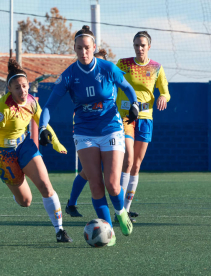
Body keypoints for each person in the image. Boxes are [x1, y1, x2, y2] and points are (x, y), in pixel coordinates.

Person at [38, 26, 139, 246]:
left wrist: (134, 105)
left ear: (94, 48)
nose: (83, 52)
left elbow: (128, 88)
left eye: (87, 47)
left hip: (111, 127)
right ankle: (108, 231)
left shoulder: (108, 68)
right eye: (79, 48)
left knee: (113, 184)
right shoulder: (69, 75)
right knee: (95, 184)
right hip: (84, 132)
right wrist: (43, 127)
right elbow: (49, 105)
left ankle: (121, 212)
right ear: (74, 49)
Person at [0, 59, 73, 243]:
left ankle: (60, 230)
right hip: (2, 155)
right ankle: (17, 191)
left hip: (24, 146)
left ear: (29, 85)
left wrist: (56, 142)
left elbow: (43, 122)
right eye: (17, 88)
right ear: (9, 89)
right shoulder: (2, 108)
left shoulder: (31, 102)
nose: (22, 91)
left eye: (24, 86)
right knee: (25, 202)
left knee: (46, 186)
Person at [115, 31, 171, 223]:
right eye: (136, 45)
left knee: (137, 165)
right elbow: (111, 82)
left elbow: (165, 91)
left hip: (146, 118)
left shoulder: (156, 67)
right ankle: (119, 208)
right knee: (128, 160)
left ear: (149, 47)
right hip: (126, 118)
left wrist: (163, 96)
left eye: (142, 45)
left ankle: (126, 210)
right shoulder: (122, 64)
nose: (139, 48)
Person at [65, 49, 108, 218]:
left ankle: (122, 207)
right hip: (87, 130)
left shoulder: (109, 79)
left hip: (107, 130)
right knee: (90, 172)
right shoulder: (79, 78)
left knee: (95, 172)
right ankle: (72, 203)